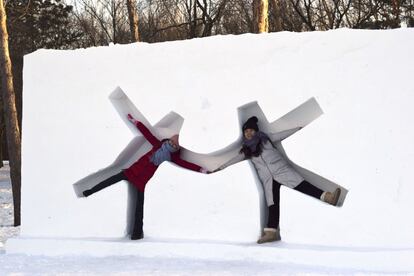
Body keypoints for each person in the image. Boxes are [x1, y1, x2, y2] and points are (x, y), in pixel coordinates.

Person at [214, 116, 340, 244]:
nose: (248, 133)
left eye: (251, 130)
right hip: (268, 179)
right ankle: (271, 233)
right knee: (273, 204)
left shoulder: (265, 139)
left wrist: (298, 128)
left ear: (256, 131)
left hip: (281, 170)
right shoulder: (246, 150)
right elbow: (233, 160)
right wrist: (219, 168)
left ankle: (329, 198)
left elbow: (281, 135)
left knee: (303, 185)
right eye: (246, 131)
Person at [83, 113, 209, 240]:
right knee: (109, 181)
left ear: (177, 148)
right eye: (171, 142)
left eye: (174, 145)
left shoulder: (172, 157)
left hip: (142, 179)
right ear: (169, 140)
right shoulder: (158, 145)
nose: (172, 145)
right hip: (132, 171)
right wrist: (135, 121)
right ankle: (89, 191)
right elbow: (147, 133)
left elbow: (187, 164)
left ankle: (137, 234)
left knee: (139, 208)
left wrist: (200, 169)